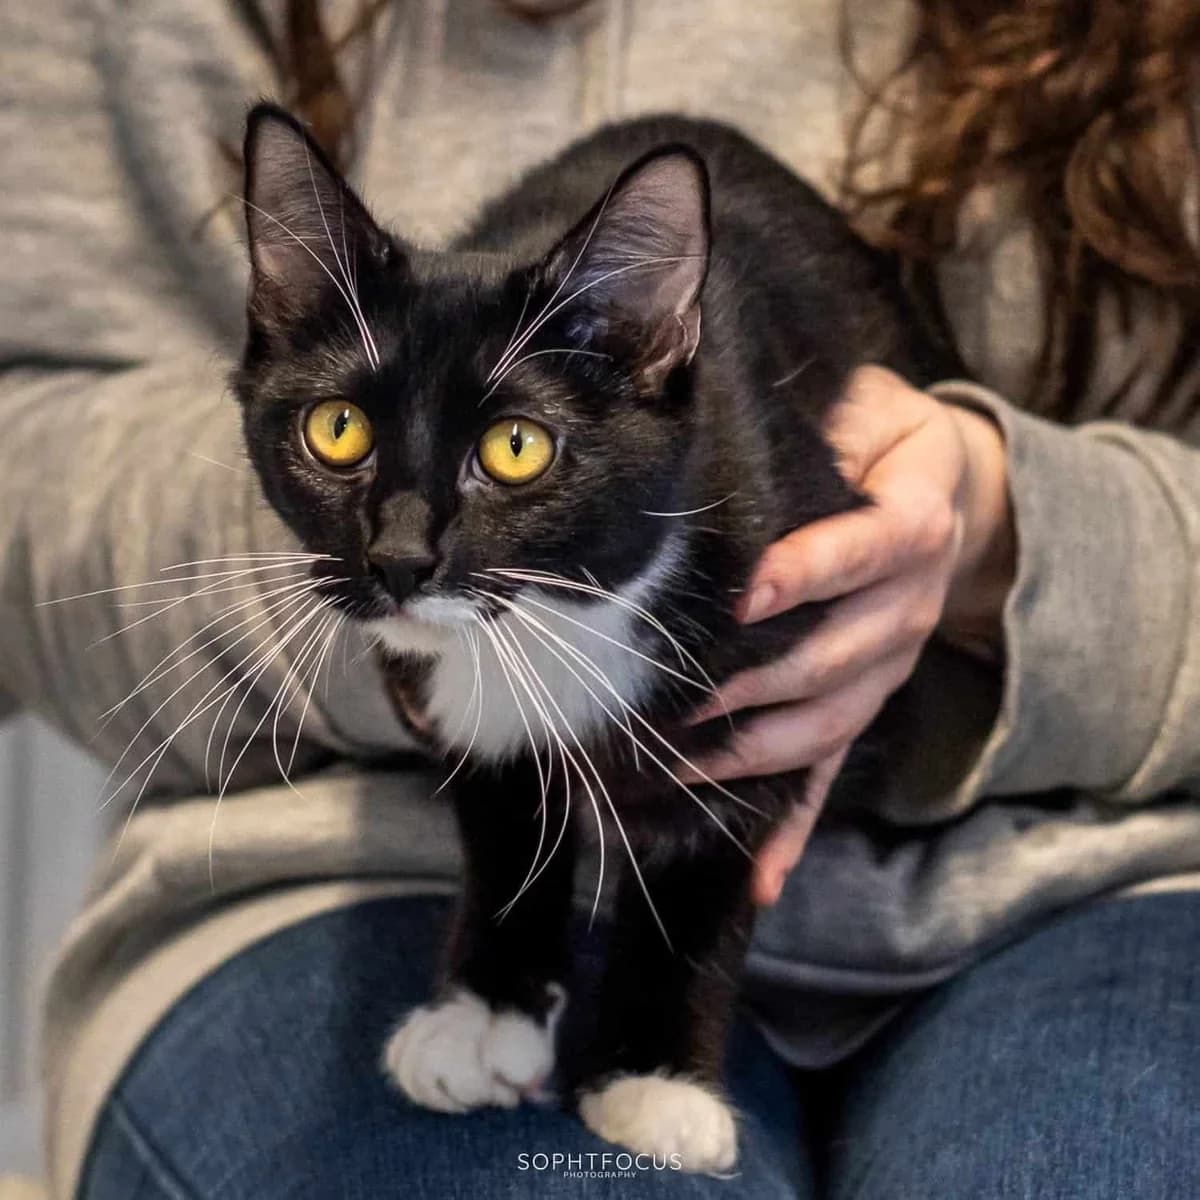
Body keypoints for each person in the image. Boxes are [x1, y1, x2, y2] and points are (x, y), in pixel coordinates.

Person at [2, 0, 1198, 1196]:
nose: (407, 542)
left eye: (512, 457)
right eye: (333, 430)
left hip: (1067, 876)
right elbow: (30, 472)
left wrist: (1015, 535)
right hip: (352, 871)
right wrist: (397, 621)